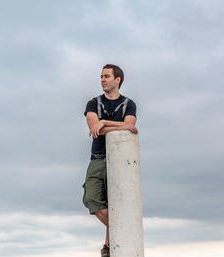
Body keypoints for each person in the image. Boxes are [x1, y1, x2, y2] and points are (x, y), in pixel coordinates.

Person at [83, 64, 138, 257]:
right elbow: (95, 130)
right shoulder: (93, 103)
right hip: (98, 159)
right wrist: (119, 126)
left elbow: (130, 125)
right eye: (101, 76)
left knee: (116, 202)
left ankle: (109, 245)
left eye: (106, 76)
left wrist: (105, 122)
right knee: (91, 198)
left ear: (118, 80)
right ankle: (121, 232)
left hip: (121, 161)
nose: (103, 80)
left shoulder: (128, 104)